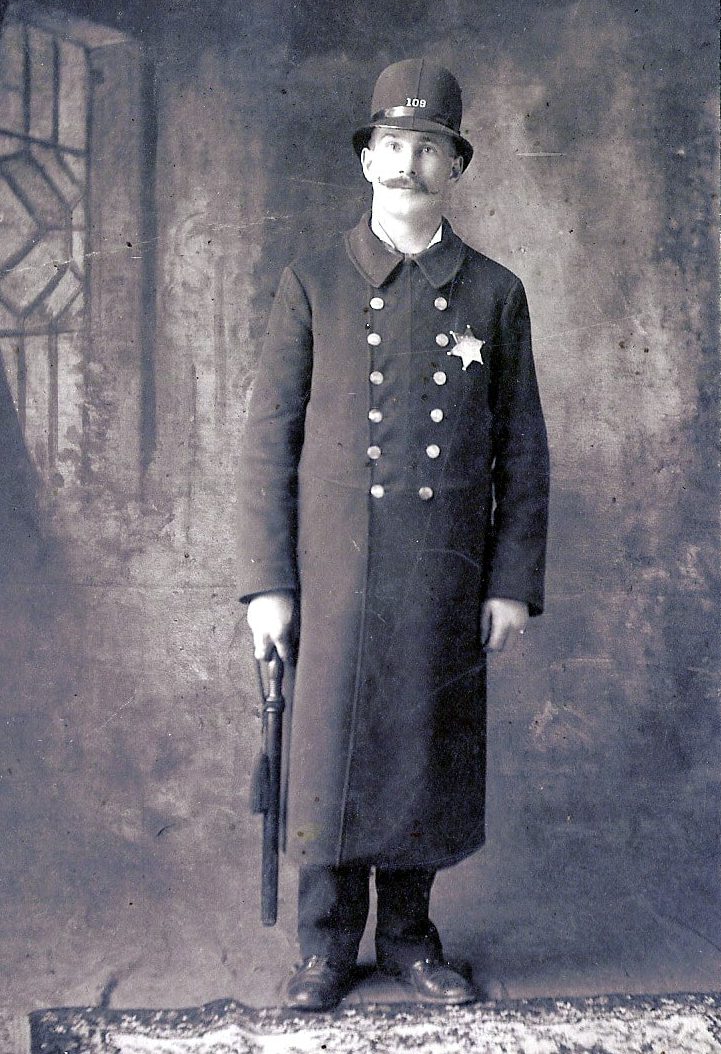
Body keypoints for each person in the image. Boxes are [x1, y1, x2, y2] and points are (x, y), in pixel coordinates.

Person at [237, 58, 550, 1011]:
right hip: (331, 572)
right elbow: (266, 442)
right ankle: (324, 948)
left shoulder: (493, 293)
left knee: (423, 748)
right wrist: (267, 583)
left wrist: (509, 582)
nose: (407, 162)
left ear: (455, 167)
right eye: (392, 144)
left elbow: (523, 452)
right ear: (365, 158)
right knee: (328, 750)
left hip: (442, 573)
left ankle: (411, 939)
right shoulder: (312, 282)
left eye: (428, 148)